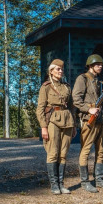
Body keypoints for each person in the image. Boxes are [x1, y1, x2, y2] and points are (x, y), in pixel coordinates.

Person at [72, 54, 103, 193]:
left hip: (102, 119)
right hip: (89, 119)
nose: (100, 66)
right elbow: (76, 100)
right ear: (90, 65)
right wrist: (89, 109)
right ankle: (85, 181)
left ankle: (99, 179)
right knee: (86, 151)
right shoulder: (82, 79)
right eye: (97, 64)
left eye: (101, 64)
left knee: (100, 151)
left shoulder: (100, 82)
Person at [36, 59, 76, 195]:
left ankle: (61, 184)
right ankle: (54, 185)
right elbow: (40, 108)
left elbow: (71, 107)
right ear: (51, 71)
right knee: (53, 153)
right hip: (53, 120)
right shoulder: (46, 87)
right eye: (57, 69)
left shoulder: (66, 87)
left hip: (68, 120)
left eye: (61, 69)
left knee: (63, 154)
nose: (60, 71)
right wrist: (43, 127)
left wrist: (75, 125)